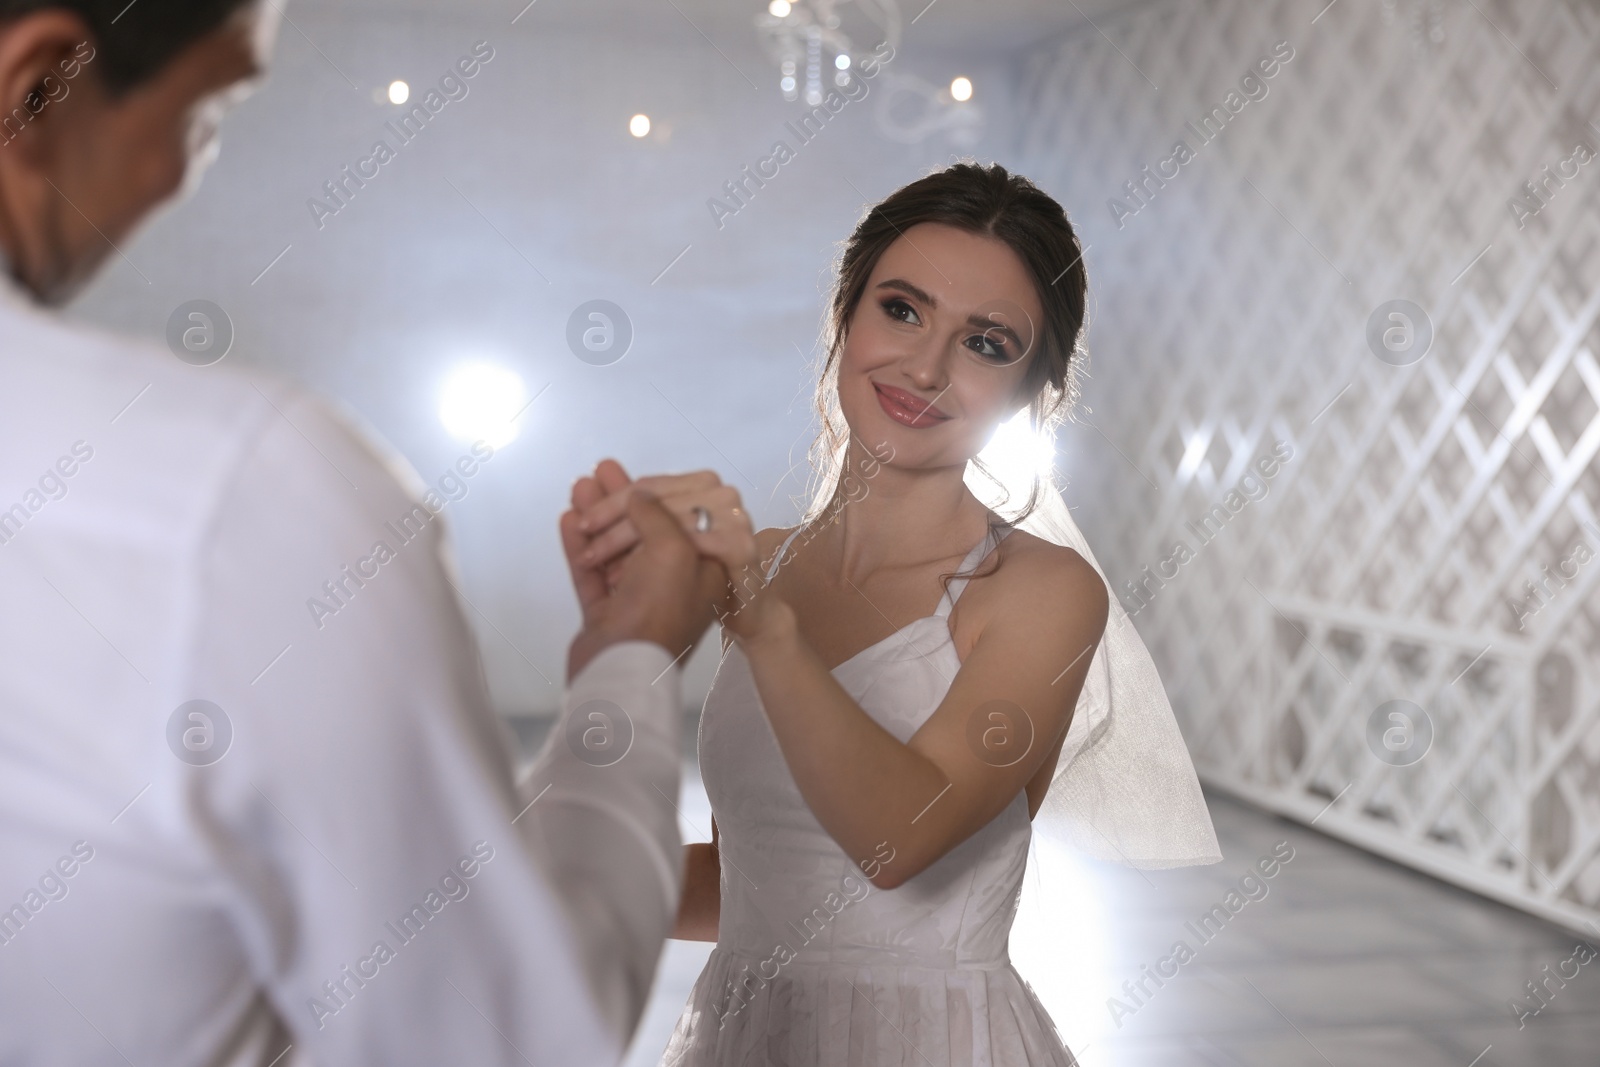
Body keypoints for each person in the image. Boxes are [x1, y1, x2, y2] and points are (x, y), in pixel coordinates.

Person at [0, 2, 725, 1064]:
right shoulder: (230, 498)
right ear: (38, 85)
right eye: (209, 112)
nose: (185, 172)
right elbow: (508, 1041)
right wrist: (630, 666)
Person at [574, 162, 1221, 1065]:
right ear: (845, 314)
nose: (923, 365)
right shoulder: (761, 565)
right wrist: (612, 645)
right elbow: (753, 882)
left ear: (1034, 389)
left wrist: (765, 628)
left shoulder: (1040, 589)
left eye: (986, 343)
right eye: (903, 309)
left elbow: (897, 839)